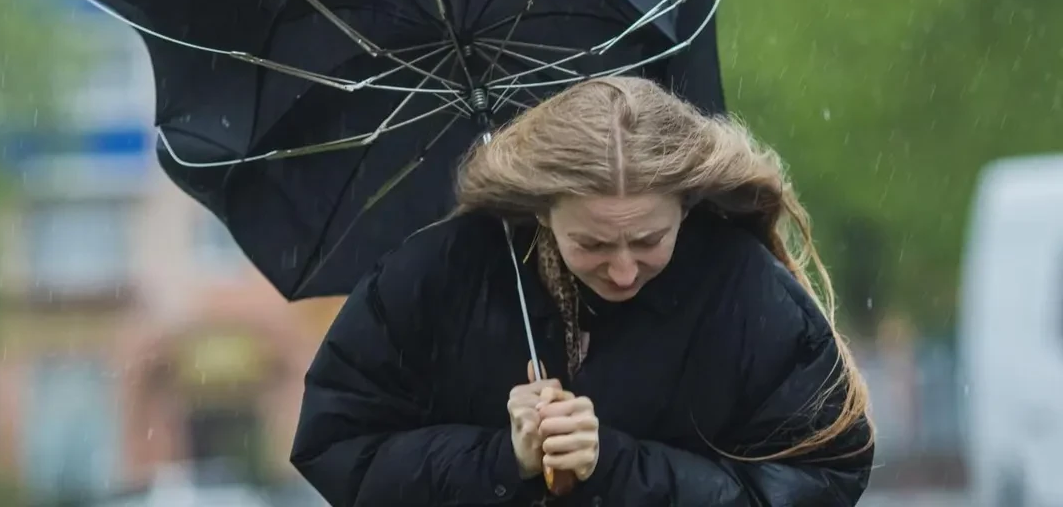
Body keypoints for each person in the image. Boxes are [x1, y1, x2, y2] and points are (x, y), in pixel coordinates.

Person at [290, 76, 875, 506]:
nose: (623, 271)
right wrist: (504, 459)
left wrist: (616, 467)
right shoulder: (438, 274)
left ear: (687, 206)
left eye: (648, 240)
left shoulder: (747, 296)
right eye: (592, 244)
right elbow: (340, 447)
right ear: (542, 210)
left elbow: (819, 482)